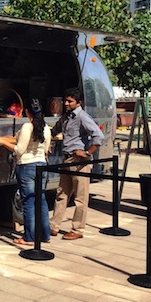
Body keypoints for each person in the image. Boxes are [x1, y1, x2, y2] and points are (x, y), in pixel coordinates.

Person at [0, 98, 52, 246]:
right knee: (41, 200)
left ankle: (29, 237)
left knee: (29, 203)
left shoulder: (27, 126)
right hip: (41, 166)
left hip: (27, 166)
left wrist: (1, 141)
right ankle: (45, 234)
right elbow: (45, 149)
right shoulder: (45, 127)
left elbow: (19, 150)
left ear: (26, 111)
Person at [50, 87, 104, 240]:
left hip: (79, 161)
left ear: (78, 103)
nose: (66, 103)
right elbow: (55, 130)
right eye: (65, 101)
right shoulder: (66, 117)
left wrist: (87, 153)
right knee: (62, 193)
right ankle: (54, 226)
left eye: (70, 101)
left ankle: (78, 228)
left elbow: (98, 136)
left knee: (80, 196)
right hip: (66, 158)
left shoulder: (83, 117)